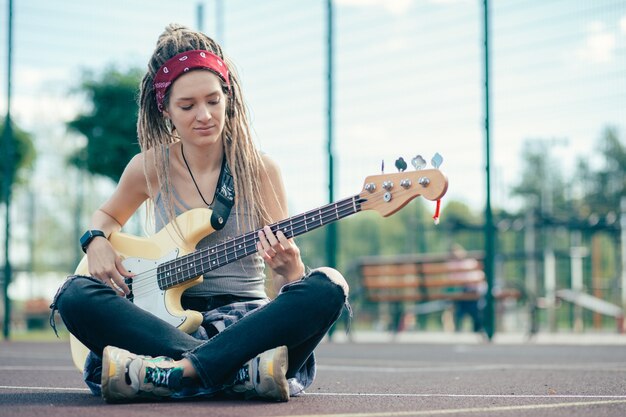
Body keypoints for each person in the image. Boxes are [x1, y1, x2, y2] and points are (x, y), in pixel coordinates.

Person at [50, 23, 349, 403]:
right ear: (166, 111)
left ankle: (171, 373)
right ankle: (238, 373)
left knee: (328, 285)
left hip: (245, 322)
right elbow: (106, 217)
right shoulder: (148, 167)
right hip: (158, 324)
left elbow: (282, 286)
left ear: (229, 98)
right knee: (75, 294)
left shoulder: (261, 170)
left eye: (213, 100)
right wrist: (95, 241)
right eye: (187, 106)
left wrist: (290, 270)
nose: (204, 115)